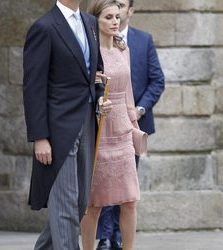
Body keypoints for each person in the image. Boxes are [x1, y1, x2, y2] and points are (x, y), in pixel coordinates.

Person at [23, 0, 112, 249]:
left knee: (79, 202)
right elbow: (34, 87)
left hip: (86, 120)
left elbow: (95, 72)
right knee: (65, 204)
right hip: (57, 129)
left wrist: (100, 95)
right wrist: (40, 137)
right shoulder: (44, 27)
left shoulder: (91, 23)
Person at [96, 0, 165, 249]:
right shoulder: (93, 44)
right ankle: (104, 238)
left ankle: (117, 237)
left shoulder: (142, 40)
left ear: (130, 11)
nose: (117, 15)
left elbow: (157, 80)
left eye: (122, 6)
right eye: (111, 11)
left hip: (132, 123)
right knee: (101, 188)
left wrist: (137, 111)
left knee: (126, 190)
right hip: (102, 124)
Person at [80, 1, 144, 250]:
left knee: (129, 201)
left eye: (117, 16)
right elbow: (83, 91)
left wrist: (134, 127)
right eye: (109, 17)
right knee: (94, 204)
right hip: (99, 128)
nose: (116, 21)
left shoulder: (122, 49)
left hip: (123, 132)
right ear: (96, 20)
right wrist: (97, 102)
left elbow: (128, 93)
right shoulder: (89, 52)